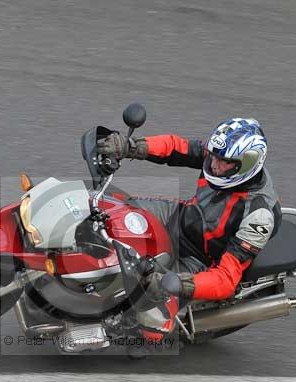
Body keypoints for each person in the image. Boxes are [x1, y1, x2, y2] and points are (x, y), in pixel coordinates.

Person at [96, 118, 281, 339]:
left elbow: (226, 279)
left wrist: (176, 284)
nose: (214, 165)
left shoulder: (258, 216)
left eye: (222, 162)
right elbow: (176, 147)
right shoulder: (219, 157)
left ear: (247, 164)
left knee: (149, 323)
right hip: (178, 217)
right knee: (107, 209)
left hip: (200, 261)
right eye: (213, 156)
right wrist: (131, 147)